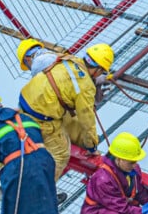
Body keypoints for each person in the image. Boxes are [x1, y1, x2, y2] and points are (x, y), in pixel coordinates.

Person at [18, 43, 114, 182]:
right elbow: (87, 119)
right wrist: (92, 146)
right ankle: (38, 191)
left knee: (31, 144)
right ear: (98, 69)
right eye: (102, 72)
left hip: (25, 100)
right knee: (61, 154)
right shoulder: (86, 86)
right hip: (41, 115)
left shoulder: (70, 59)